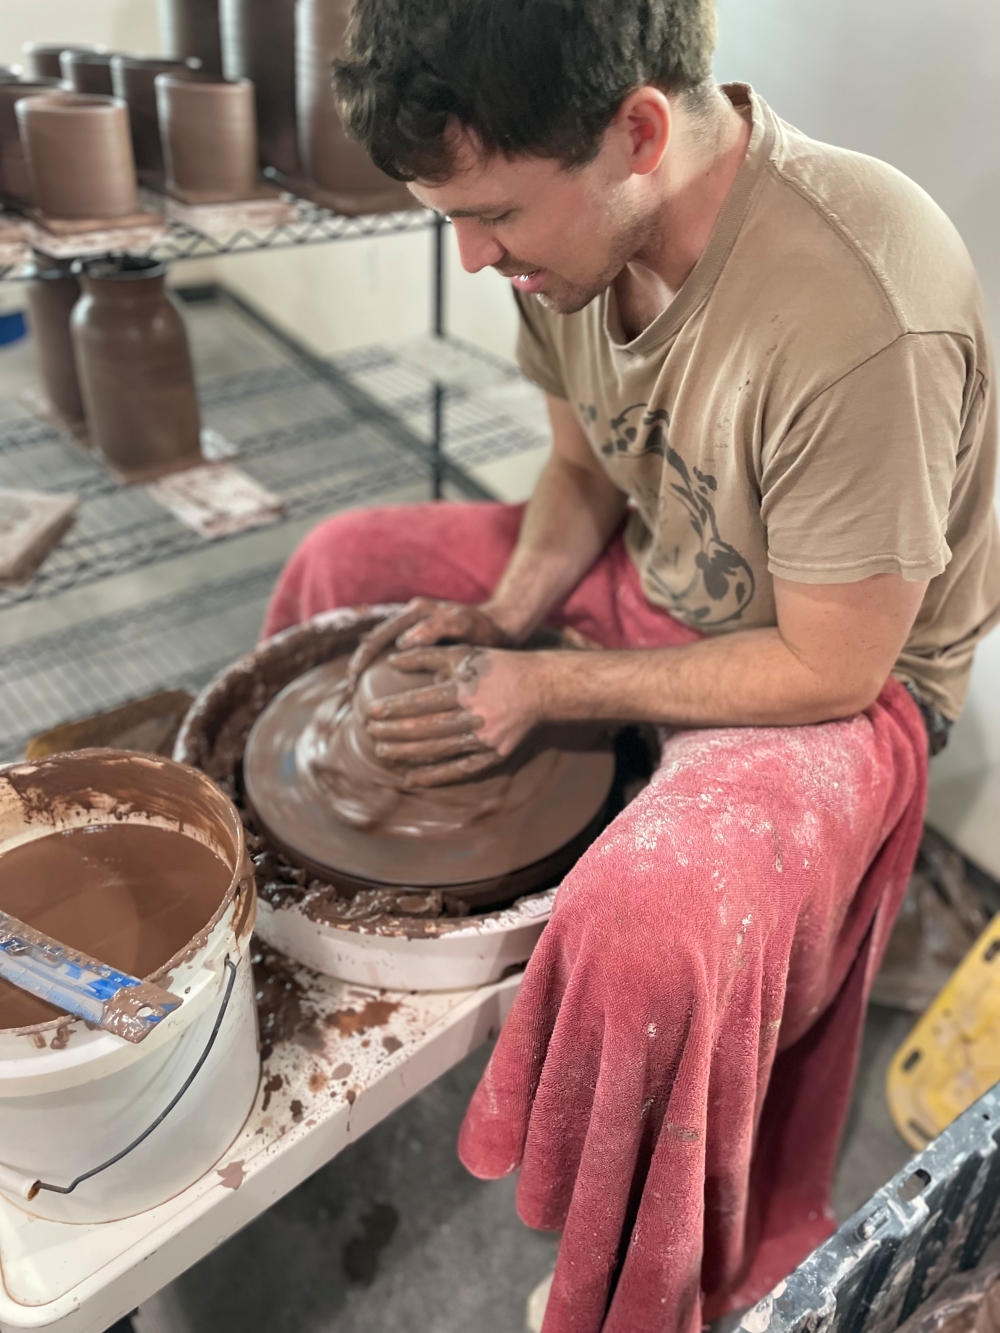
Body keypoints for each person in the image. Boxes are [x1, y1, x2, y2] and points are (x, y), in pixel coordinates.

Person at [262, 0, 1000, 1328]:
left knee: (647, 916)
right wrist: (508, 613)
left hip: (846, 678)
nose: (476, 257)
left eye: (494, 215)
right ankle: (336, 983)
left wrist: (546, 684)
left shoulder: (858, 304)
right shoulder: (574, 253)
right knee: (343, 566)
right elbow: (580, 465)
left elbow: (834, 665)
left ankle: (645, 1281)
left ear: (639, 132)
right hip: (657, 567)